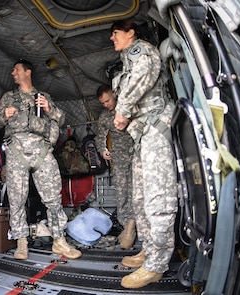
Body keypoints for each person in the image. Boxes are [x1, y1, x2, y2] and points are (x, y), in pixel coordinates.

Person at [0, 58, 81, 260]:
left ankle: (59, 241)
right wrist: (4, 115)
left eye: (16, 69)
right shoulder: (8, 98)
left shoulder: (43, 96)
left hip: (41, 151)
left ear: (27, 72)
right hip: (16, 151)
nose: (13, 73)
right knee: (16, 199)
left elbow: (61, 119)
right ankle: (21, 243)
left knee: (53, 198)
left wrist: (48, 108)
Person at [109, 20, 177, 288]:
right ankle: (149, 249)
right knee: (140, 198)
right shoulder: (127, 59)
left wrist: (122, 109)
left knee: (158, 198)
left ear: (131, 32)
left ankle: (157, 264)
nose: (111, 38)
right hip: (142, 136)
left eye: (115, 33)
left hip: (154, 128)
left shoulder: (142, 51)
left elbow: (143, 75)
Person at [95, 84, 136, 249]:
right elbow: (100, 136)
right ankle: (127, 227)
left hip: (136, 156)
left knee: (136, 192)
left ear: (114, 94)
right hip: (119, 160)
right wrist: (102, 149)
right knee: (121, 193)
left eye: (107, 100)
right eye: (103, 103)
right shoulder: (105, 117)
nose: (106, 105)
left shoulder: (129, 107)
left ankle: (135, 228)